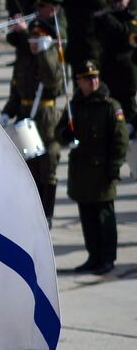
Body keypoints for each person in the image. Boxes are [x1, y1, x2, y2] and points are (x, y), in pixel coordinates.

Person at [2, 0, 67, 225]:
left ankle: (46, 215)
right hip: (26, 113)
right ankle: (32, 212)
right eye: (31, 39)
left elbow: (52, 81)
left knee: (47, 164)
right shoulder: (25, 59)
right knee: (29, 166)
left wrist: (45, 52)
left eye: (38, 39)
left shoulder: (53, 58)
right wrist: (7, 112)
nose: (32, 43)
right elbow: (17, 89)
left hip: (47, 115)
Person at [58, 60, 128, 274]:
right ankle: (93, 256)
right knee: (87, 217)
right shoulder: (74, 106)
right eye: (88, 78)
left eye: (95, 77)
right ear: (79, 82)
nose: (93, 81)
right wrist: (66, 135)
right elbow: (59, 133)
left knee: (104, 218)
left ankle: (107, 258)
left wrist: (113, 168)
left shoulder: (110, 106)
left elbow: (120, 141)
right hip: (81, 171)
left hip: (102, 170)